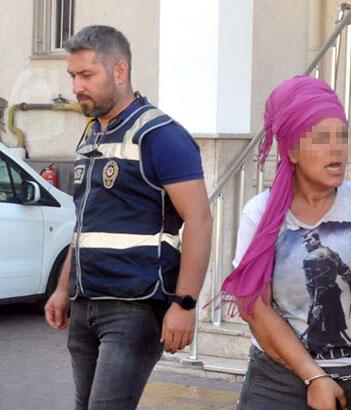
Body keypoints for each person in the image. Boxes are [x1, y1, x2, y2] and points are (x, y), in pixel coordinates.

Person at [43, 25, 212, 409]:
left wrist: (185, 305)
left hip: (134, 308)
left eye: (87, 75)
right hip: (85, 304)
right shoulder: (92, 135)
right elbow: (85, 225)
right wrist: (63, 289)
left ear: (120, 72)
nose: (76, 87)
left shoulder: (160, 135)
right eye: (72, 76)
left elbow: (200, 221)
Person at [220, 76, 351, 410]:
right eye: (321, 139)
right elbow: (256, 308)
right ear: (291, 150)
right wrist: (313, 377)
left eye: (341, 137)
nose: (336, 150)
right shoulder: (259, 214)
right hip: (278, 385)